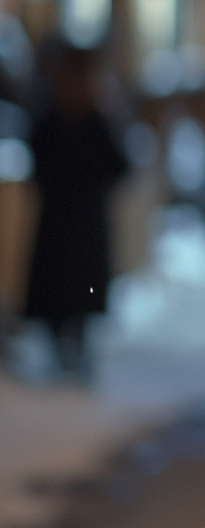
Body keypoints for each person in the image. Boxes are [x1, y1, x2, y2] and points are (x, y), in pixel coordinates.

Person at [23, 45, 126, 378]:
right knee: (63, 291)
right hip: (67, 223)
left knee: (80, 293)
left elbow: (119, 166)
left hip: (79, 224)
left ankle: (74, 350)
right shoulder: (52, 120)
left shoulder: (91, 120)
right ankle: (63, 350)